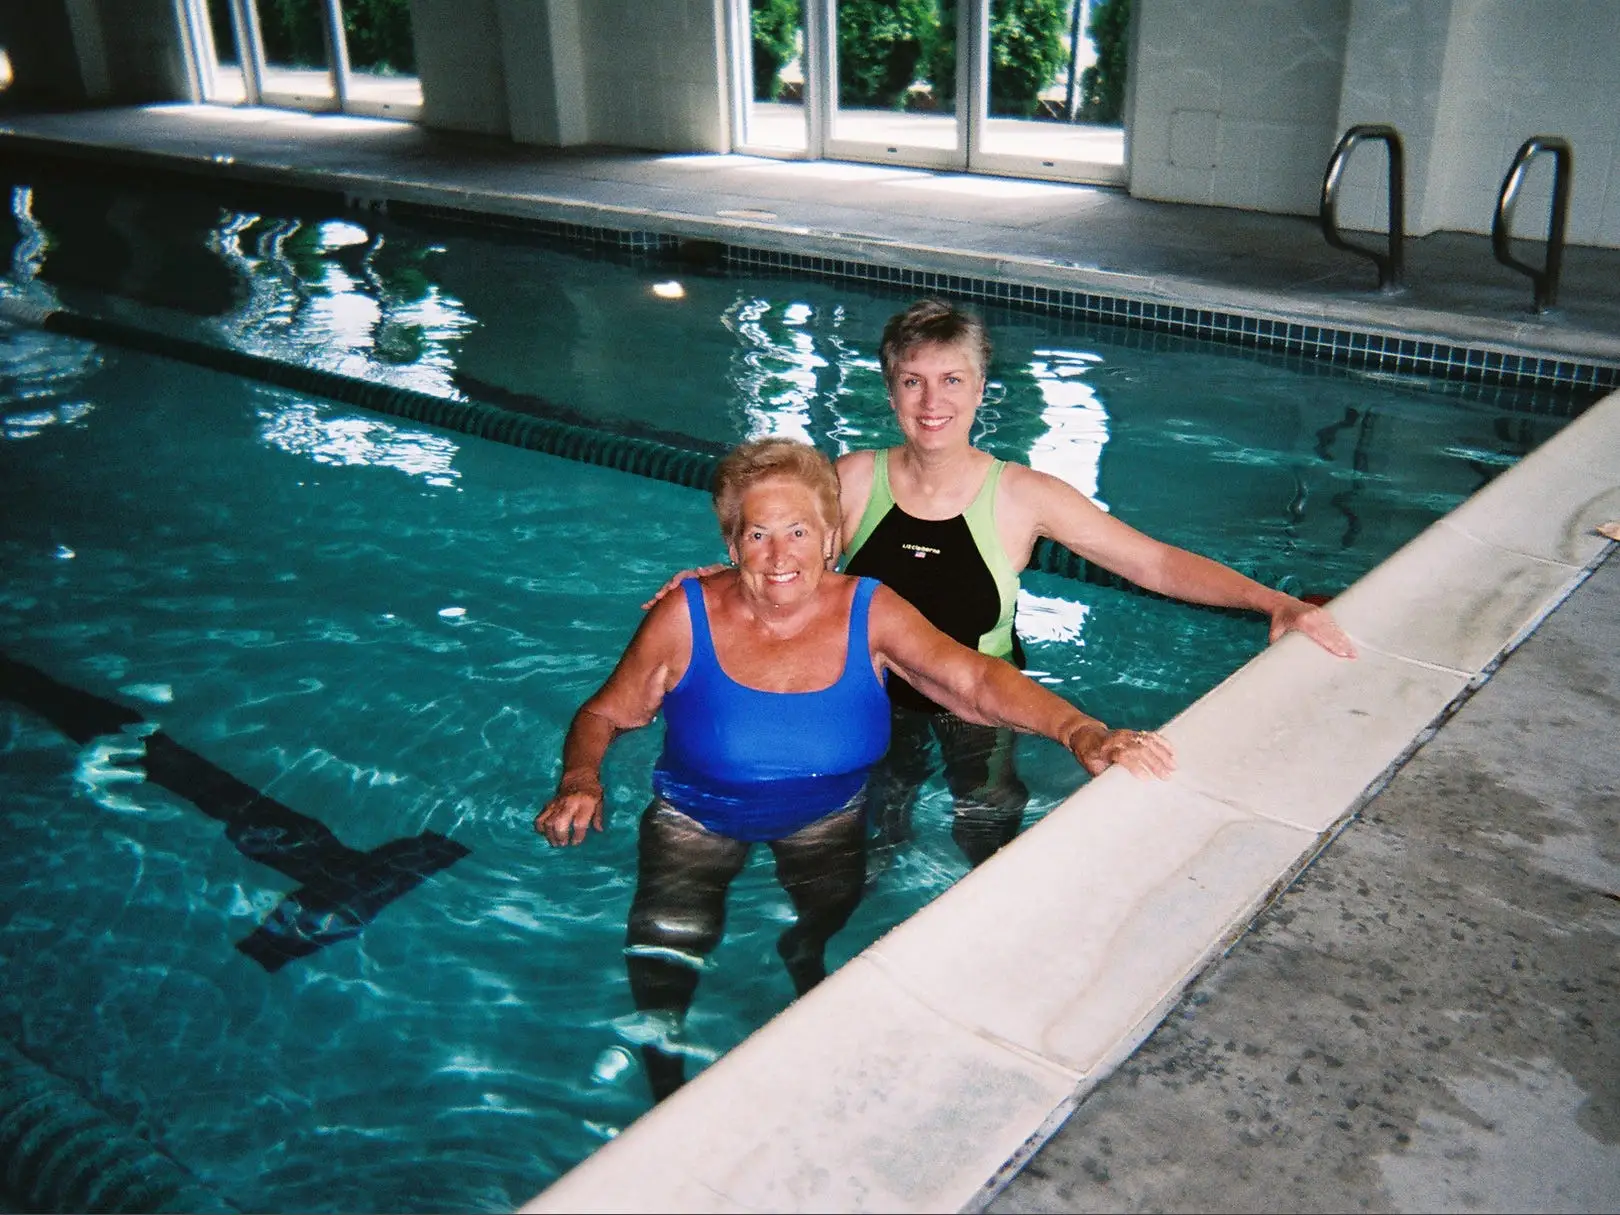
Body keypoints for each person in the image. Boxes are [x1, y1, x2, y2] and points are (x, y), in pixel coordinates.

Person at [537, 437, 1172, 1101]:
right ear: (732, 544)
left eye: (798, 531)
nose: (779, 556)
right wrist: (580, 779)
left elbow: (976, 678)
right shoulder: (684, 615)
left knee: (821, 928)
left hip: (828, 817)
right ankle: (661, 1076)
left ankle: (805, 976)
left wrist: (1081, 731)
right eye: (758, 533)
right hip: (696, 814)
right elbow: (605, 713)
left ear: (830, 536)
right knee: (668, 947)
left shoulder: (869, 610)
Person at [649, 298, 1356, 868]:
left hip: (980, 704)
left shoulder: (1022, 496)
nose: (933, 400)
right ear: (890, 390)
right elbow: (782, 552)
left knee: (987, 836)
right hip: (872, 698)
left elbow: (1154, 562)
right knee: (871, 841)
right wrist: (708, 583)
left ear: (981, 389)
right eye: (913, 380)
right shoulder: (856, 479)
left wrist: (1276, 601)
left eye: (952, 379)